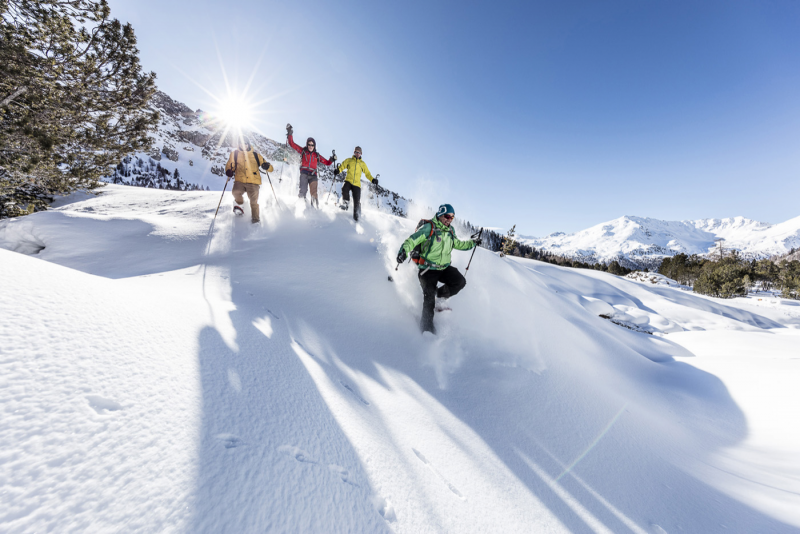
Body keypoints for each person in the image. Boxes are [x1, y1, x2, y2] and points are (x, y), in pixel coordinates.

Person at [396, 204, 482, 334]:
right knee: (429, 297)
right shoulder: (429, 227)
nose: (449, 219)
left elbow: (459, 244)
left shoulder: (450, 231)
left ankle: (439, 296)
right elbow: (412, 240)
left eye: (452, 217)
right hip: (427, 269)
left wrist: (473, 243)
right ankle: (426, 329)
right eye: (447, 216)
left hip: (443, 268)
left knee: (460, 281)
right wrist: (403, 251)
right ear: (440, 214)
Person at [224, 137, 274, 223]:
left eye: (245, 144)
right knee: (236, 191)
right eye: (241, 144)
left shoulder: (256, 155)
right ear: (239, 144)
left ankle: (255, 220)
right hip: (240, 180)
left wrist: (267, 166)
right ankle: (240, 206)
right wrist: (229, 171)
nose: (244, 145)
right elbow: (229, 165)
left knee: (254, 201)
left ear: (248, 144)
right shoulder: (234, 154)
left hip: (253, 182)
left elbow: (271, 169)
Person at [286, 124, 334, 208]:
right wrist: (290, 133)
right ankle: (301, 208)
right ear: (307, 145)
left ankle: (315, 210)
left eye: (312, 145)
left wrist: (332, 159)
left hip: (313, 175)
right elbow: (291, 143)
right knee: (303, 191)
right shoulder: (303, 151)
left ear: (314, 146)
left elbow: (327, 162)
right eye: (309, 144)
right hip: (304, 173)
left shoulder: (317, 155)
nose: (310, 146)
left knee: (314, 193)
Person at [333, 146, 378, 221]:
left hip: (357, 184)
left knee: (356, 200)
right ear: (354, 152)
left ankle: (357, 216)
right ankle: (345, 203)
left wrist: (373, 179)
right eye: (356, 152)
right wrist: (338, 170)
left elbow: (367, 174)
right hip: (348, 180)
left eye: (359, 152)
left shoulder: (362, 164)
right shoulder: (349, 160)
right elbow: (342, 166)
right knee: (344, 188)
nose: (357, 154)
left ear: (361, 153)